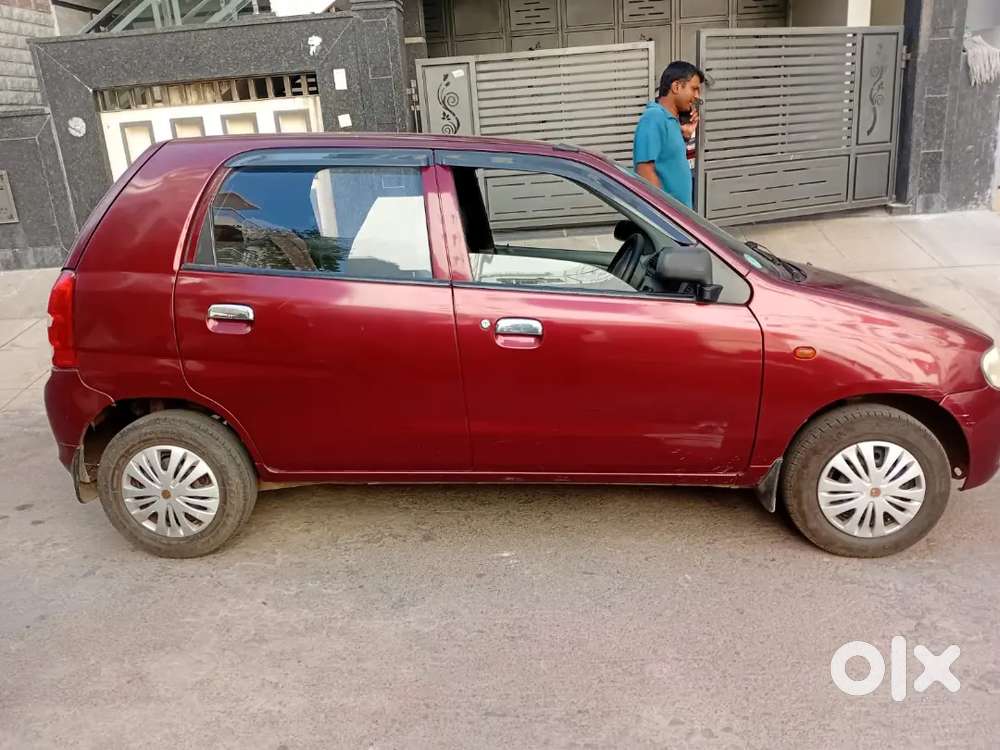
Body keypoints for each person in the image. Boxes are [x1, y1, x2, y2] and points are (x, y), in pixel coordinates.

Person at [632, 60, 704, 208]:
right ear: (676, 87)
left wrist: (684, 136)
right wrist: (663, 217)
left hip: (679, 218)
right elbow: (645, 171)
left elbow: (667, 161)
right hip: (668, 221)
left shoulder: (670, 120)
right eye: (694, 89)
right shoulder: (653, 118)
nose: (697, 97)